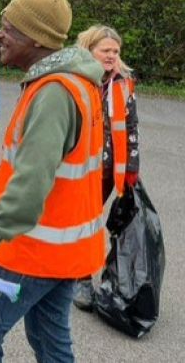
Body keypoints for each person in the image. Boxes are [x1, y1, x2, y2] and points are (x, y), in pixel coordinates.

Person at [0, 0, 105, 363]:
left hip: (30, 252)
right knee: (50, 340)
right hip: (65, 252)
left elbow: (29, 188)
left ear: (36, 38)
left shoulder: (53, 93)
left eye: (8, 28)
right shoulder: (78, 83)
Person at [72, 24, 140, 311]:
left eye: (115, 51)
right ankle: (75, 275)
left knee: (90, 222)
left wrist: (132, 167)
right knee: (75, 220)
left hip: (108, 170)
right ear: (89, 50)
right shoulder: (74, 79)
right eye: (106, 50)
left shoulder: (123, 83)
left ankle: (79, 275)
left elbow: (131, 125)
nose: (111, 55)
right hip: (76, 167)